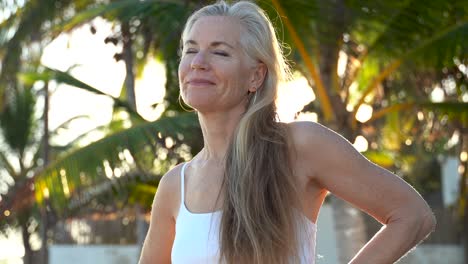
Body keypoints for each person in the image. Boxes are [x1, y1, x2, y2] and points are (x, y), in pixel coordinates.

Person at [138, 1, 436, 263]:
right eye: (191, 50)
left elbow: (413, 216)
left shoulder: (300, 146)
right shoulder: (175, 185)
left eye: (220, 53)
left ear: (255, 76)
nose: (198, 63)